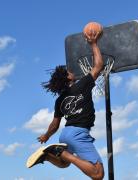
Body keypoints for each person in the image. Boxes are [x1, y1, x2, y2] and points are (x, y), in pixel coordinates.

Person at [37, 25, 104, 180]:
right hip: (78, 132)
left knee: (64, 164)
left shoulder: (59, 101)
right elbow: (99, 66)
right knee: (98, 174)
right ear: (67, 79)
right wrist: (93, 43)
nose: (71, 71)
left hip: (65, 134)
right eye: (68, 72)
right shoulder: (82, 84)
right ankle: (63, 153)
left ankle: (46, 156)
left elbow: (54, 125)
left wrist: (46, 136)